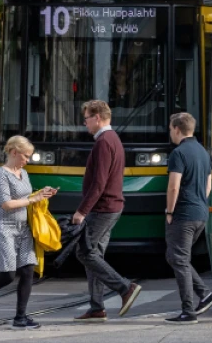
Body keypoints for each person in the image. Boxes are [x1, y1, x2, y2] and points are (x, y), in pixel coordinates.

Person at [0, 135, 55, 330]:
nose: (27, 160)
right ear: (14, 152)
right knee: (8, 274)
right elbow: (6, 204)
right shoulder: (1, 174)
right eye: (26, 156)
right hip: (3, 226)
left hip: (23, 227)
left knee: (27, 270)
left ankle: (20, 317)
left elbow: (26, 197)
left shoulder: (23, 173)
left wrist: (42, 194)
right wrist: (33, 199)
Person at [71, 100, 143, 321]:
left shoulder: (103, 142)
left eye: (86, 119)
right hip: (111, 206)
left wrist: (82, 211)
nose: (85, 124)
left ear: (98, 118)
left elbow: (99, 183)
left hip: (103, 208)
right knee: (95, 254)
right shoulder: (112, 139)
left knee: (84, 252)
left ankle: (124, 287)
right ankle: (96, 307)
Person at [163, 112, 212, 324]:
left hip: (183, 214)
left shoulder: (178, 153)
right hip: (200, 213)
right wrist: (198, 203)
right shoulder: (203, 152)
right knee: (177, 257)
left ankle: (188, 311)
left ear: (177, 129)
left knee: (178, 259)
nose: (170, 133)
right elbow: (208, 186)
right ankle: (205, 294)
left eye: (171, 129)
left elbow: (173, 186)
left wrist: (170, 211)